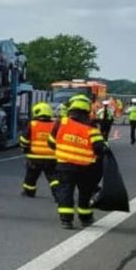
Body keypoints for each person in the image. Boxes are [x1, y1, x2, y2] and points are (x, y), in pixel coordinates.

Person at [48, 95, 108, 229]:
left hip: (64, 165)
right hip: (85, 167)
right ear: (87, 109)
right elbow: (99, 147)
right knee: (85, 193)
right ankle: (85, 218)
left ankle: (66, 220)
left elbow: (51, 143)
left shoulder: (61, 122)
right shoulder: (91, 126)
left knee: (65, 191)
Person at [18, 102, 59, 199]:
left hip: (34, 157)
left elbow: (24, 139)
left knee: (31, 176)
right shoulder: (55, 125)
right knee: (53, 178)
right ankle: (58, 194)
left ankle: (29, 192)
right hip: (52, 157)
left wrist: (25, 149)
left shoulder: (32, 124)